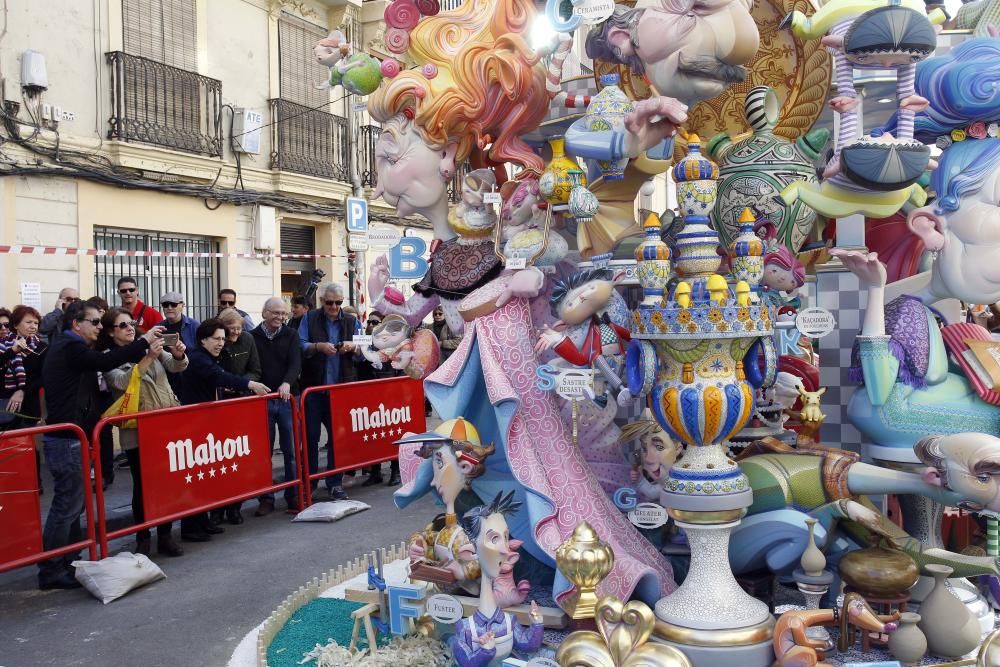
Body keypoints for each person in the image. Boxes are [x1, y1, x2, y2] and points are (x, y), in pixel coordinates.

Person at [38, 300, 159, 589]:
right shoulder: (70, 347)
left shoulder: (70, 347)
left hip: (74, 437)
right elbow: (106, 362)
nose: (98, 327)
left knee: (73, 505)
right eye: (93, 322)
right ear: (75, 324)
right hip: (67, 440)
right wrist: (144, 340)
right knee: (67, 505)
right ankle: (52, 568)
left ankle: (68, 561)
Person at [100, 308, 187, 558]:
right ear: (110, 331)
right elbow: (121, 382)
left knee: (167, 483)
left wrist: (179, 354)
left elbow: (175, 366)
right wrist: (148, 356)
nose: (129, 328)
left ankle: (166, 536)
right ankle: (143, 537)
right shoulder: (109, 356)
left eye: (131, 323)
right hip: (138, 428)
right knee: (142, 486)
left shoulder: (147, 345)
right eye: (122, 325)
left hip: (165, 422)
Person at [177, 318, 269, 541]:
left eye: (222, 339)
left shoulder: (210, 356)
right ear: (203, 340)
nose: (221, 343)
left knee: (204, 478)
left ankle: (203, 521)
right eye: (216, 339)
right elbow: (220, 377)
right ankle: (191, 528)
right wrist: (250, 384)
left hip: (204, 421)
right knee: (194, 478)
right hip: (192, 422)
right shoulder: (198, 358)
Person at [299, 283, 359, 500]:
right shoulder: (310, 318)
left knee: (337, 439)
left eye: (339, 302)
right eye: (330, 302)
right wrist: (318, 347)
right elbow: (301, 344)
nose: (334, 307)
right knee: (311, 437)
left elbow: (365, 348)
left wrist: (353, 347)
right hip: (314, 388)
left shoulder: (352, 320)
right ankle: (310, 482)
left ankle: (335, 482)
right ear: (322, 301)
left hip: (340, 388)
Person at [251, 297, 302, 515]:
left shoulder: (291, 334)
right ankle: (267, 498)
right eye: (276, 313)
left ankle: (293, 496)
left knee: (291, 451)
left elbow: (295, 363)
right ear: (264, 313)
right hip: (262, 400)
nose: (280, 317)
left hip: (286, 399)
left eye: (283, 313)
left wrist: (287, 383)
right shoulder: (252, 336)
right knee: (264, 453)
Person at [212, 308, 263, 524]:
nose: (234, 334)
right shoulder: (217, 342)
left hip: (242, 400)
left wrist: (243, 384)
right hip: (219, 402)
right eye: (230, 331)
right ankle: (217, 510)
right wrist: (227, 384)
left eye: (238, 330)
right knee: (219, 460)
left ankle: (235, 507)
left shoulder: (248, 339)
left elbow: (255, 369)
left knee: (239, 458)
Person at [357, 311, 402, 487]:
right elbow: (356, 358)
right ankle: (375, 472)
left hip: (390, 396)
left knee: (393, 433)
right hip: (370, 395)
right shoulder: (365, 341)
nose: (371, 325)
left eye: (375, 322)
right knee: (372, 435)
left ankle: (395, 471)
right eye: (369, 321)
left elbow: (402, 368)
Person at [0, 305, 47, 429]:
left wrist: (22, 391)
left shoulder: (42, 347)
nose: (33, 326)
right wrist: (12, 351)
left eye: (36, 323)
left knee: (28, 445)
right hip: (4, 405)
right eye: (28, 322)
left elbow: (43, 376)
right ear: (15, 325)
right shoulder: (4, 345)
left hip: (29, 406)